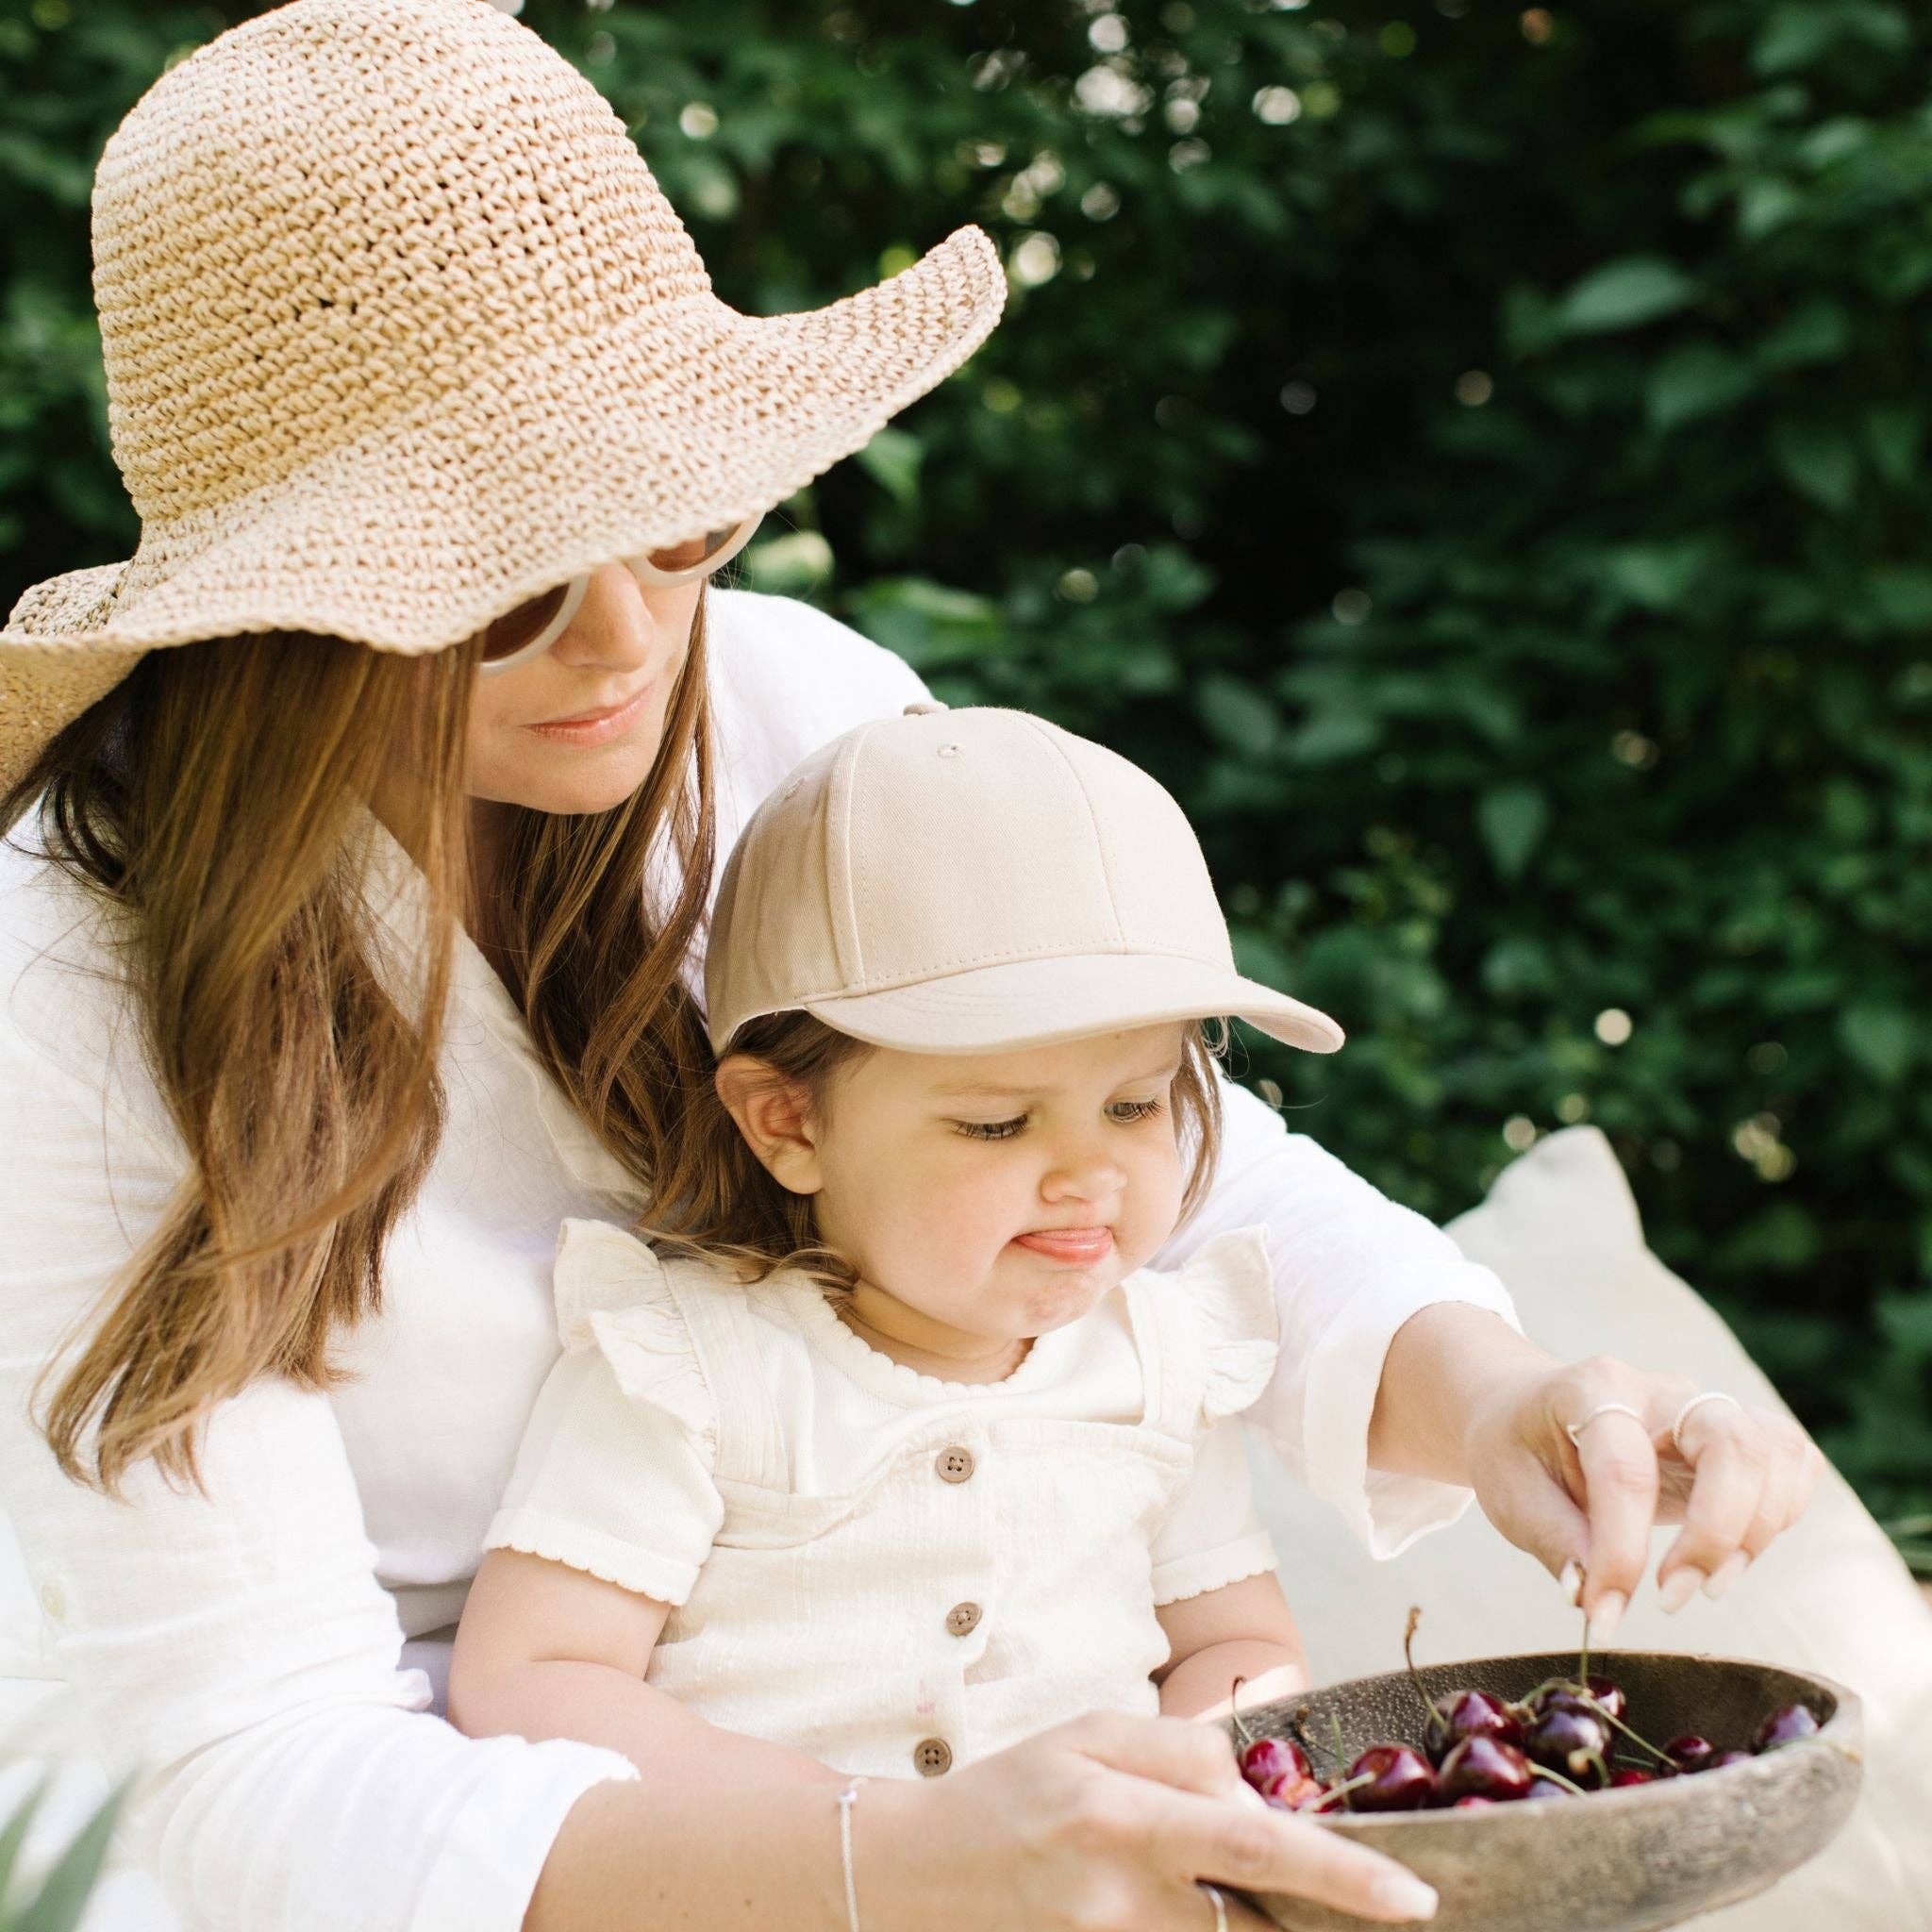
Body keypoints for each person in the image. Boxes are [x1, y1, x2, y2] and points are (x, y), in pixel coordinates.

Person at [0, 5, 1821, 1932]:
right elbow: (237, 1765)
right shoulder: (70, 980)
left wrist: (1496, 1393)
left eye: (682, 519)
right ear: (287, 601)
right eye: (508, 585)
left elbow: (1135, 1152)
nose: (629, 638)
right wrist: (896, 1861)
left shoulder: (796, 707)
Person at [447, 708, 1339, 1803]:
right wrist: (851, 1833)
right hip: (784, 1879)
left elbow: (1236, 1643)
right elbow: (531, 1675)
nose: (1087, 1173)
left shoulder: (1159, 1365)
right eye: (996, 1123)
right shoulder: (694, 1372)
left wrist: (1201, 1765)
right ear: (789, 1122)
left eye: (1133, 1103)